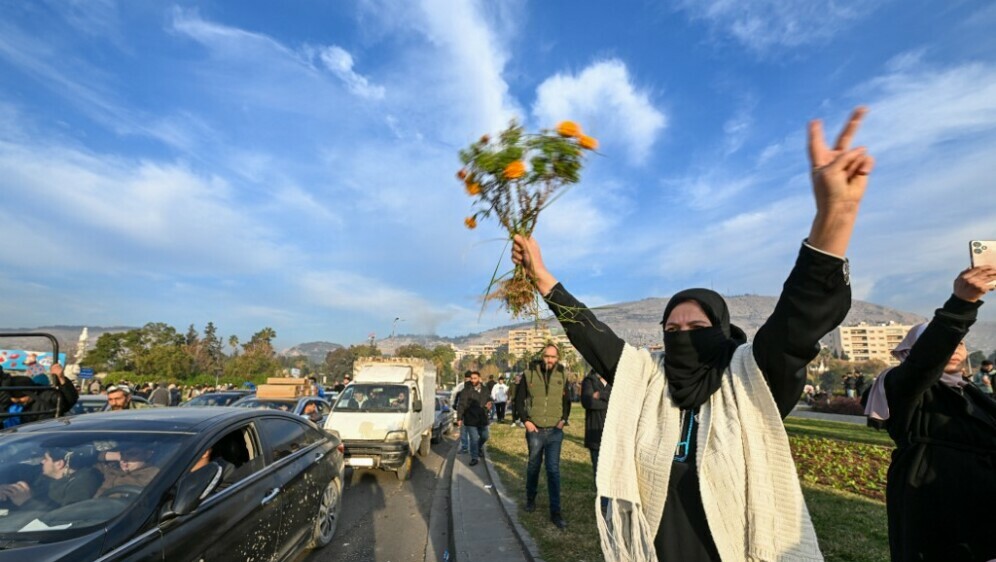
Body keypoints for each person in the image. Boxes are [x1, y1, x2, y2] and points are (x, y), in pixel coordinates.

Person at [511, 107, 874, 560]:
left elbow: (799, 317)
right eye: (672, 328)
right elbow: (590, 332)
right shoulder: (647, 377)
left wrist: (834, 215)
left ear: (721, 330)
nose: (682, 335)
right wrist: (543, 277)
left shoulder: (751, 377)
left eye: (697, 328)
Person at [862, 267, 996, 561]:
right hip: (935, 504)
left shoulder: (971, 391)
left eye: (960, 343)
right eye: (949, 343)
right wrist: (962, 304)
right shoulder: (903, 387)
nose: (955, 349)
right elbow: (926, 362)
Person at [512, 344, 571, 530]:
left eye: (553, 357)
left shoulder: (562, 374)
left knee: (553, 470)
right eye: (547, 356)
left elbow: (566, 400)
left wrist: (563, 420)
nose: (550, 360)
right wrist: (526, 421)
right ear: (542, 356)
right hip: (535, 430)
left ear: (557, 358)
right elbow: (518, 400)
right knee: (533, 466)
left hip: (555, 431)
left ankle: (556, 512)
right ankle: (531, 499)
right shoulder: (529, 373)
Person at [0, 446, 102, 509]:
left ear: (59, 464)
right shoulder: (42, 473)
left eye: (46, 459)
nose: (42, 462)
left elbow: (68, 518)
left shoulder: (84, 482)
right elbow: (14, 470)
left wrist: (27, 502)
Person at [2, 363, 78, 428]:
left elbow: (69, 399)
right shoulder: (15, 406)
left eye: (19, 398)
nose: (17, 401)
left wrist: (61, 378)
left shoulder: (47, 396)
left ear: (27, 393)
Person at [580, 369, 611, 479]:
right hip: (595, 432)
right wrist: (611, 402)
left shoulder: (615, 380)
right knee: (599, 472)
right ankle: (602, 496)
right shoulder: (589, 381)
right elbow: (588, 402)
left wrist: (600, 395)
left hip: (613, 434)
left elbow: (623, 400)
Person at [456, 371, 491, 466]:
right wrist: (459, 418)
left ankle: (478, 447)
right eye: (471, 378)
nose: (472, 380)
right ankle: (474, 457)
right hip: (470, 418)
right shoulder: (466, 390)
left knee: (485, 436)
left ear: (479, 379)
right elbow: (461, 404)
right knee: (474, 439)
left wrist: (489, 403)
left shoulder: (485, 389)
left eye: (475, 378)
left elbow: (488, 399)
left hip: (482, 418)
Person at [95, 447, 159, 496]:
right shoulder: (112, 468)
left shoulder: (154, 474)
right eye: (122, 454)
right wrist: (116, 456)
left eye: (131, 454)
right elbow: (90, 457)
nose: (124, 459)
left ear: (148, 454)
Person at [451, 371, 472, 454]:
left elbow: (457, 401)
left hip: (467, 414)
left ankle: (465, 448)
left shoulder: (461, 388)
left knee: (466, 432)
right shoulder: (462, 388)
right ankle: (466, 448)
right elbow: (456, 400)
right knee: (466, 432)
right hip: (466, 414)